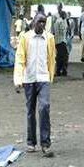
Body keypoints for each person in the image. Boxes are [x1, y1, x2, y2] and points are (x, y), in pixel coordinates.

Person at [14, 14, 56, 157]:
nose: (42, 25)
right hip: (29, 79)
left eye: (44, 22)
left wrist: (51, 76)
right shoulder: (25, 38)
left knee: (44, 107)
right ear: (33, 23)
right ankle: (31, 142)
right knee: (30, 110)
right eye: (39, 22)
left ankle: (46, 144)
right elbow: (19, 58)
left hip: (44, 78)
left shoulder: (49, 38)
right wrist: (18, 79)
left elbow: (52, 58)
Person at [54, 11, 69, 76]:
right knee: (63, 56)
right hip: (60, 41)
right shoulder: (59, 21)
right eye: (65, 14)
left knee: (61, 57)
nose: (65, 16)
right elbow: (59, 31)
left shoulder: (63, 21)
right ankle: (61, 70)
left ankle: (60, 70)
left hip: (62, 41)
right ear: (62, 15)